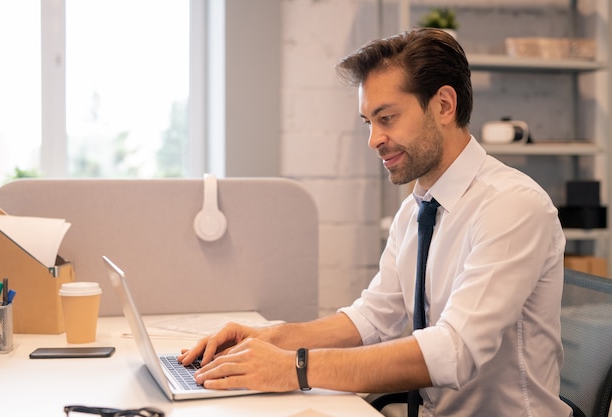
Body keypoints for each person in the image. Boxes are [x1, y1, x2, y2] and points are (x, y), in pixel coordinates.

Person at [178, 28, 571, 416]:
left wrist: (295, 367)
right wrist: (270, 339)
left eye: (387, 118)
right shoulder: (417, 209)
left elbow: (455, 351)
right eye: (369, 122)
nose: (374, 139)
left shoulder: (511, 207)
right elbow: (373, 317)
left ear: (444, 106)